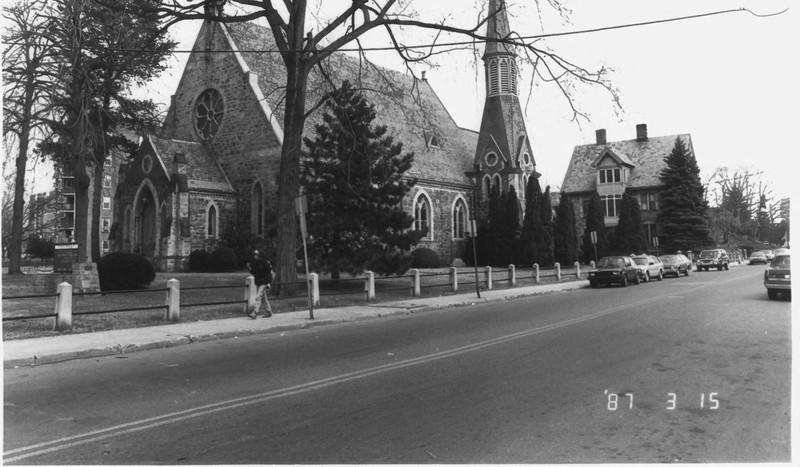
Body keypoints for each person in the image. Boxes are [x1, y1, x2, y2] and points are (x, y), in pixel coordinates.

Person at [246, 249, 273, 319]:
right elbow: (254, 272)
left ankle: (255, 312)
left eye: (256, 255)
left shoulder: (265, 263)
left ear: (260, 255)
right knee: (263, 298)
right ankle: (269, 311)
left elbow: (269, 274)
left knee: (258, 297)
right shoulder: (257, 263)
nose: (255, 256)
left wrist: (268, 283)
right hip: (259, 282)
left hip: (264, 282)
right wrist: (249, 267)